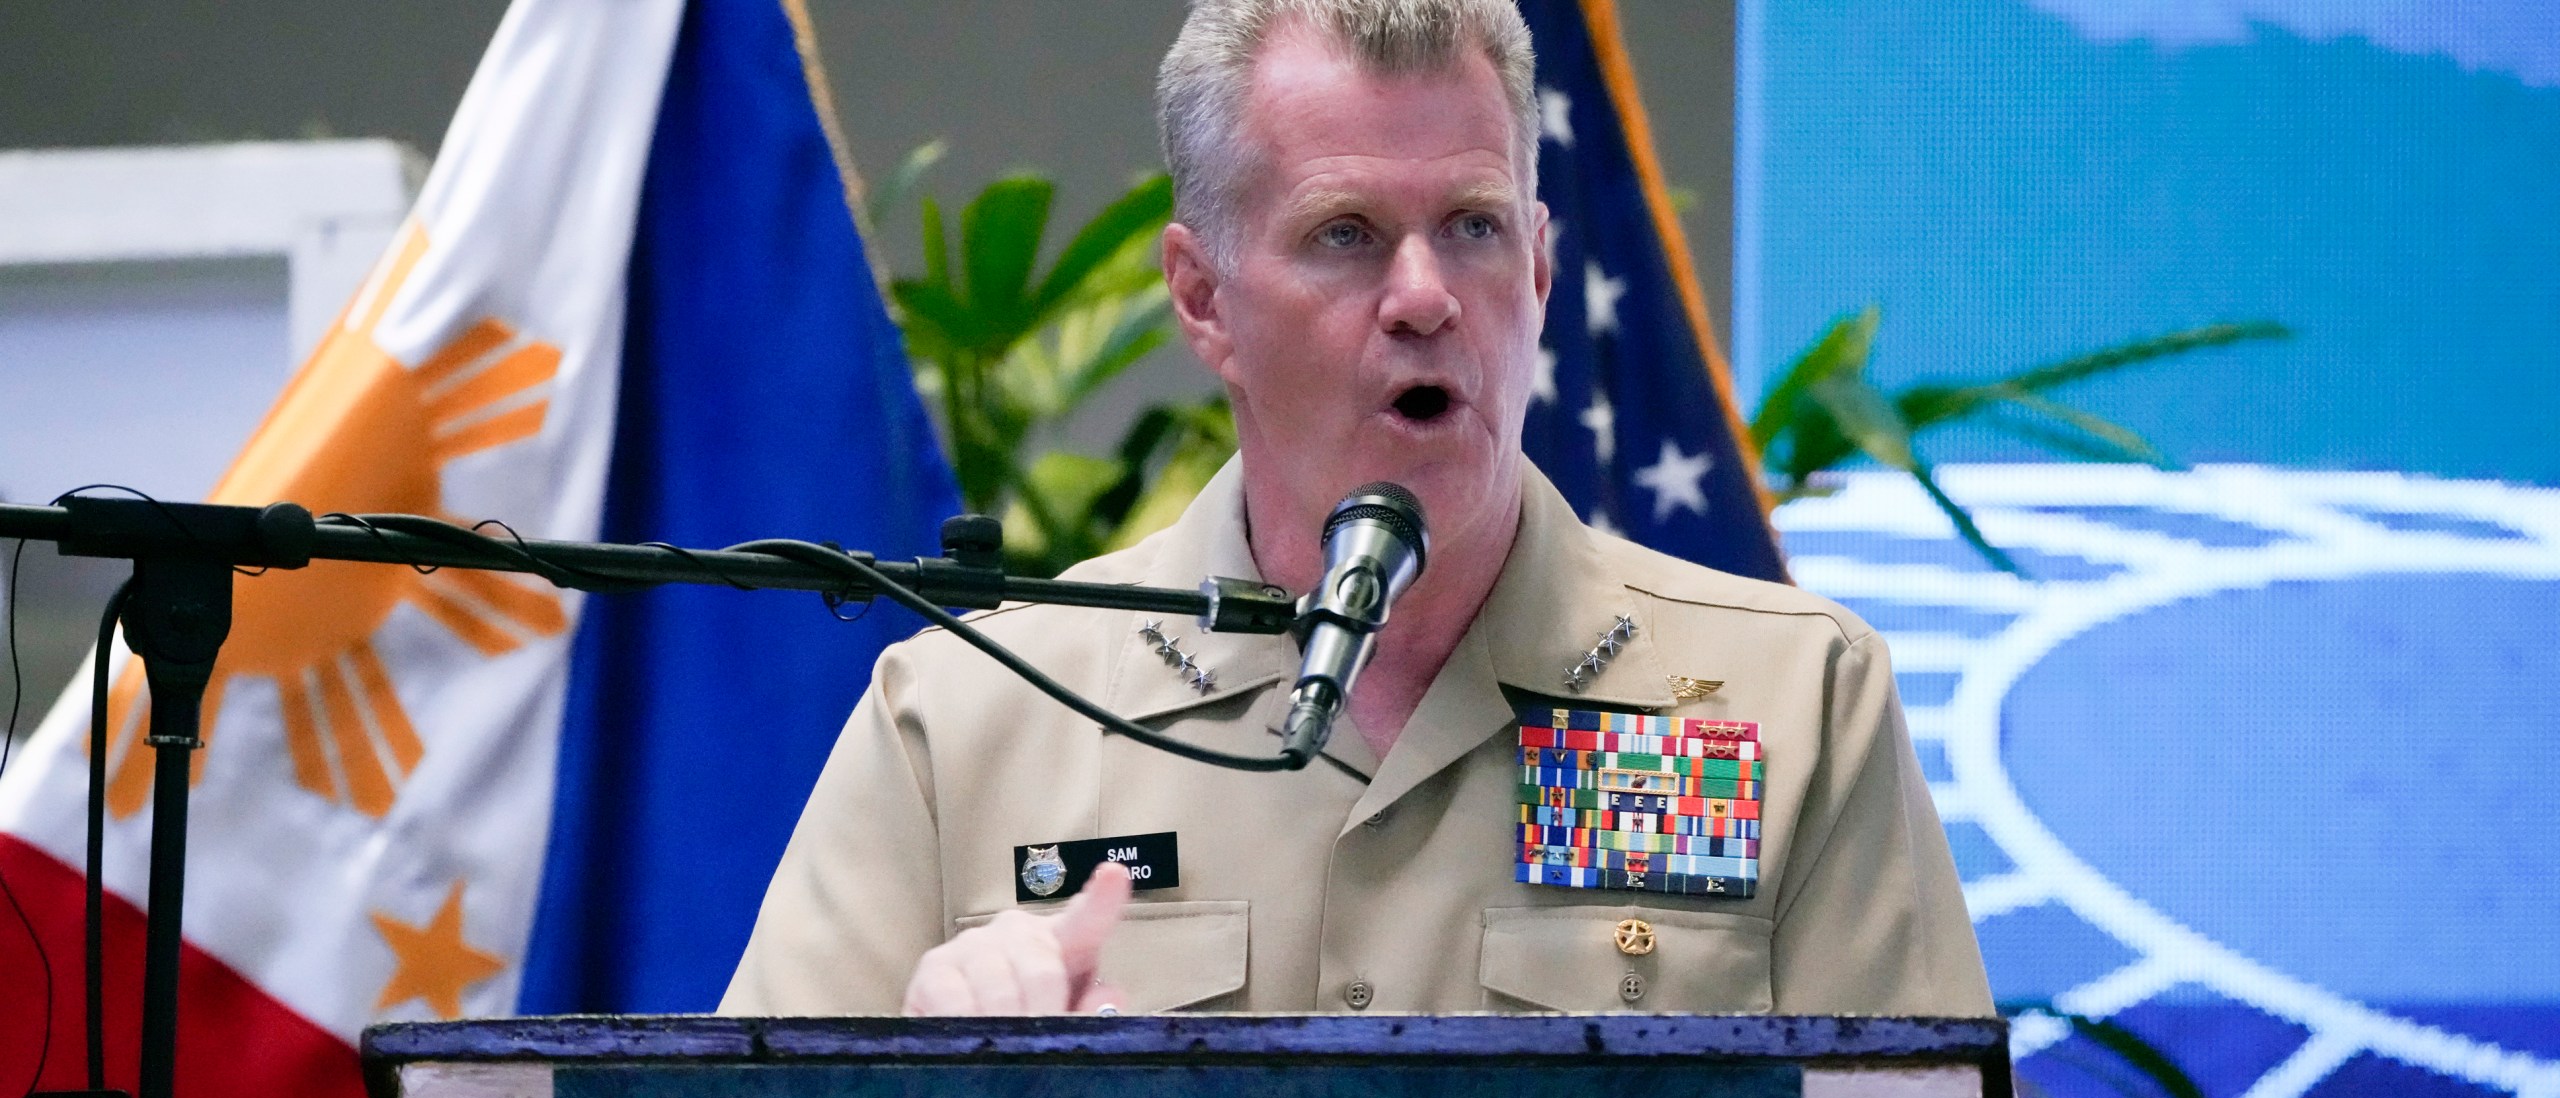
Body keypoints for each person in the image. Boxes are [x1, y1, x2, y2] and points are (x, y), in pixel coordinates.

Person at [719, 0, 1989, 1020]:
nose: (1426, 295)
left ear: (1541, 274)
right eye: (1345, 234)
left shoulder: (1790, 704)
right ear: (1203, 297)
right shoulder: (973, 717)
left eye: (1474, 228)